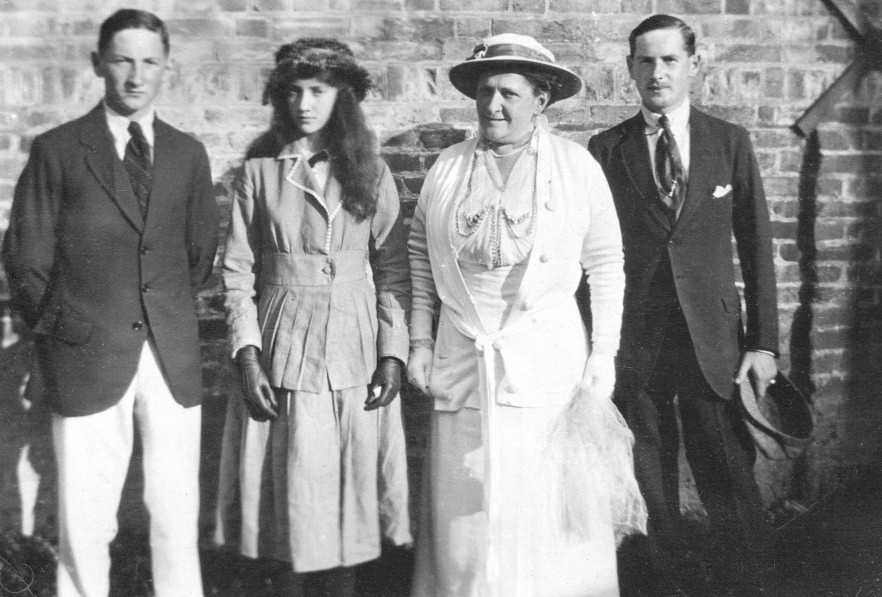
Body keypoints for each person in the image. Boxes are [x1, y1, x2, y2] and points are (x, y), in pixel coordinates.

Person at [407, 33, 645, 597]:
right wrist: (419, 341)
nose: (493, 105)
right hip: (464, 360)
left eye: (509, 94)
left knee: (543, 513)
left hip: (545, 366)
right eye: (485, 92)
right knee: (468, 510)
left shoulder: (575, 166)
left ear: (540, 100)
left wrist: (604, 355)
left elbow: (606, 263)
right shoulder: (449, 167)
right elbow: (419, 252)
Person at [1, 9, 218, 597]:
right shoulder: (58, 150)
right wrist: (65, 330)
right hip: (85, 354)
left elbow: (200, 253)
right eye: (122, 60)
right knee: (86, 515)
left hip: (170, 357)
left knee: (175, 512)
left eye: (149, 62)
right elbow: (26, 257)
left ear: (166, 67)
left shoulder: (187, 154)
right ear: (98, 64)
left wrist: (160, 311)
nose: (136, 76)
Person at [587, 14, 779, 595]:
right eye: (645, 61)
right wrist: (595, 346)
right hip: (638, 338)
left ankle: (751, 581)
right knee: (648, 471)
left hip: (712, 341)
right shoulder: (607, 148)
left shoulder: (728, 141)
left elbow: (756, 243)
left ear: (694, 64)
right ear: (629, 69)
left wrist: (763, 343)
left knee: (726, 468)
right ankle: (663, 582)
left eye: (670, 59)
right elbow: (591, 253)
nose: (658, 73)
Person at [213, 38, 412, 596]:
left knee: (349, 493)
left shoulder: (371, 171)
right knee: (291, 492)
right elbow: (237, 272)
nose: (305, 103)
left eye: (319, 91)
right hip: (283, 342)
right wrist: (248, 355)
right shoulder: (259, 173)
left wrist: (392, 354)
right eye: (294, 91)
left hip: (353, 345)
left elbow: (393, 269)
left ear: (341, 96)